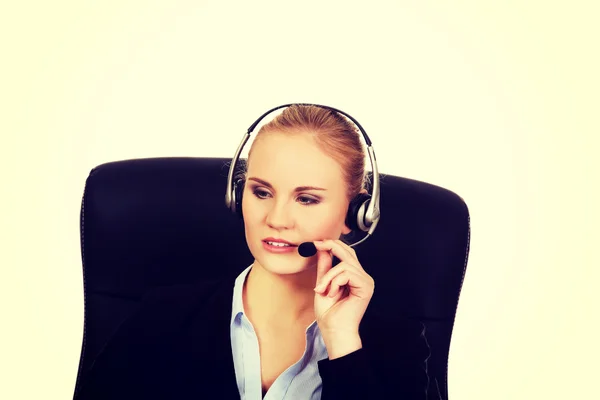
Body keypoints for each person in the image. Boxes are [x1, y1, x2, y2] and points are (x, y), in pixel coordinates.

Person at [74, 105, 431, 400]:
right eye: (261, 192)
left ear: (357, 214)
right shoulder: (161, 317)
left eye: (306, 199)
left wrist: (342, 344)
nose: (276, 219)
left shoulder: (395, 344)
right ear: (236, 195)